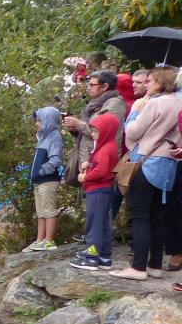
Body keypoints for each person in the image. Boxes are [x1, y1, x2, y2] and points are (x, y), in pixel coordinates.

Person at [112, 67, 182, 280]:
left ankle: (138, 267)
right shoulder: (179, 103)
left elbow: (132, 132)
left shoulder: (153, 103)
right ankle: (155, 266)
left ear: (160, 83)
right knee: (157, 217)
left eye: (150, 80)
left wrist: (134, 111)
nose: (147, 84)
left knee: (141, 217)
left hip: (147, 163)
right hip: (168, 166)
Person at [70, 112, 119, 271]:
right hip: (102, 190)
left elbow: (102, 171)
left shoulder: (106, 149)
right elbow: (99, 166)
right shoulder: (106, 147)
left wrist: (87, 177)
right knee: (103, 222)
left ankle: (92, 256)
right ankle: (104, 255)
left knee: (94, 223)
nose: (92, 134)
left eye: (96, 131)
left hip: (97, 190)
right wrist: (88, 164)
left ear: (106, 131)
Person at [26, 106, 63, 252]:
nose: (36, 123)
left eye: (39, 120)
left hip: (47, 181)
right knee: (40, 212)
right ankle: (39, 239)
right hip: (39, 182)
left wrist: (40, 172)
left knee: (48, 210)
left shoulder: (54, 136)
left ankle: (49, 240)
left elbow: (55, 160)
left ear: (48, 121)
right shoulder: (42, 137)